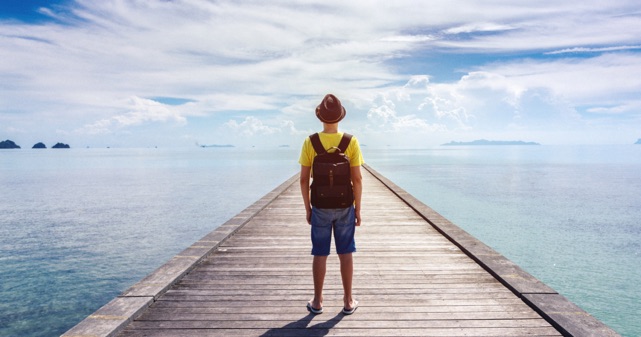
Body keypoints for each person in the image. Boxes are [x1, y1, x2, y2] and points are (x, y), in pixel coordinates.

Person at [298, 94, 364, 315]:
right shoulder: (350, 141)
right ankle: (347, 300)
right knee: (346, 253)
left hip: (320, 206)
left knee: (320, 253)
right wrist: (358, 209)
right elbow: (357, 179)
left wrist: (308, 208)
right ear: (340, 117)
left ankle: (317, 301)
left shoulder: (310, 142)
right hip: (346, 205)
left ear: (320, 117)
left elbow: (303, 179)